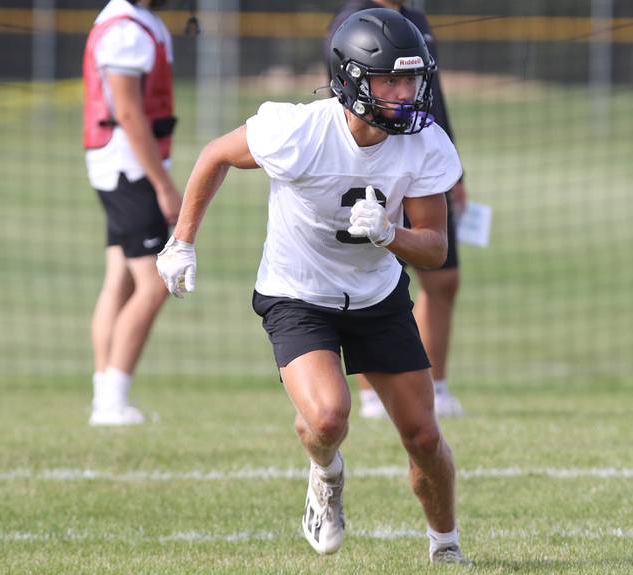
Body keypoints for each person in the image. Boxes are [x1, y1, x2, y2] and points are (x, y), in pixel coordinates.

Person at [156, 8, 469, 564]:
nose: (405, 94)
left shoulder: (425, 141)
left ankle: (445, 547)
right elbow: (215, 155)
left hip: (376, 295)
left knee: (423, 435)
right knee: (327, 417)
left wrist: (391, 234)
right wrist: (181, 241)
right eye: (389, 81)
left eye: (412, 80)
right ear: (352, 79)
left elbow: (435, 247)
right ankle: (325, 474)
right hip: (297, 293)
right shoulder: (300, 130)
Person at [326, 0, 466, 419]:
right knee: (369, 278)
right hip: (378, 168)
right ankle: (372, 393)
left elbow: (435, 100)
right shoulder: (353, 20)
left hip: (420, 162)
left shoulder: (415, 18)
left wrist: (456, 172)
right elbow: (344, 99)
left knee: (443, 276)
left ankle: (435, 385)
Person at [83, 0, 182, 426]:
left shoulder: (134, 20)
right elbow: (126, 111)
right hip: (129, 167)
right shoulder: (126, 30)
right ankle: (111, 401)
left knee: (119, 279)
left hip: (123, 164)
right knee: (154, 283)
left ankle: (105, 398)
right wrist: (163, 186)